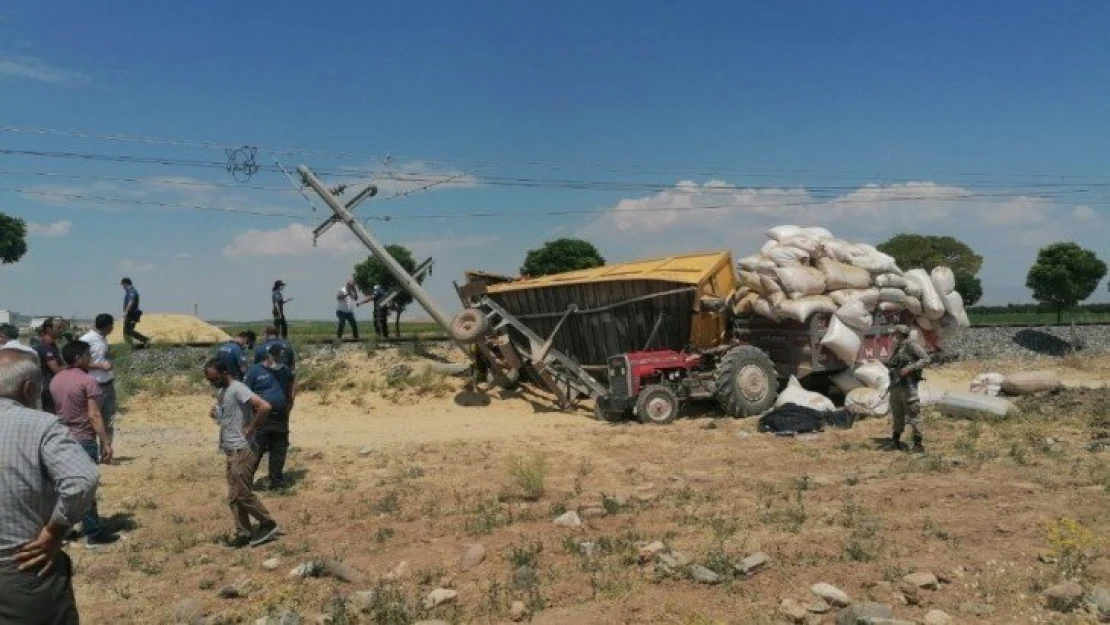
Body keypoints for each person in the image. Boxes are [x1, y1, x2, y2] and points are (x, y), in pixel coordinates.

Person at [0, 349, 99, 624]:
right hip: (23, 568)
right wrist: (55, 531)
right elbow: (81, 481)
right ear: (29, 388)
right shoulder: (41, 425)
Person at [203, 358, 280, 548]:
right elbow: (228, 417)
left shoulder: (239, 388)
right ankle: (242, 532)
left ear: (224, 373)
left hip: (243, 449)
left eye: (214, 379)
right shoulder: (222, 392)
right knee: (233, 496)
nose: (212, 383)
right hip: (230, 449)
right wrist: (217, 415)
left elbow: (264, 406)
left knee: (242, 493)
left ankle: (267, 523)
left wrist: (252, 427)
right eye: (210, 381)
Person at [50, 341, 117, 547]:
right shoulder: (88, 381)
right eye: (88, 355)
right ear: (78, 358)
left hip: (61, 438)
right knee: (86, 488)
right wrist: (106, 442)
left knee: (63, 487)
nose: (91, 359)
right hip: (83, 438)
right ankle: (94, 534)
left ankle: (64, 530)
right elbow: (94, 415)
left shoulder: (56, 379)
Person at [245, 344, 297, 490]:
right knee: (257, 450)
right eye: (277, 358)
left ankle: (276, 482)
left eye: (281, 358)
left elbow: (293, 382)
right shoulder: (255, 370)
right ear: (269, 356)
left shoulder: (284, 370)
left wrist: (290, 402)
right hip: (262, 417)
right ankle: (246, 482)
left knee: (279, 450)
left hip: (280, 417)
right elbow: (245, 392)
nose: (279, 361)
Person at [887, 325, 931, 453]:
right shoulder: (897, 348)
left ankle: (918, 443)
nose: (894, 336)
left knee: (913, 415)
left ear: (901, 334)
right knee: (897, 415)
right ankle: (895, 440)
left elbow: (926, 359)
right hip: (896, 386)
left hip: (908, 387)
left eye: (895, 334)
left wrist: (909, 369)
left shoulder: (912, 346)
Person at [79, 315, 118, 448]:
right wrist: (101, 366)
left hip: (108, 384)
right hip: (94, 386)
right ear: (108, 326)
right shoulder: (86, 340)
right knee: (93, 421)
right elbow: (80, 362)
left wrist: (108, 356)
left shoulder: (103, 339)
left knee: (109, 420)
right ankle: (91, 453)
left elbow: (100, 356)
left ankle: (107, 452)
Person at [34, 318, 66, 414]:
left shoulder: (52, 345)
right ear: (48, 329)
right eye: (58, 328)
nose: (61, 330)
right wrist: (73, 365)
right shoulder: (45, 347)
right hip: (49, 389)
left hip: (55, 387)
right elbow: (56, 370)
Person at [120, 278, 150, 348]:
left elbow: (131, 301)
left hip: (131, 314)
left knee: (126, 332)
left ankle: (131, 346)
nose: (122, 287)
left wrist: (126, 312)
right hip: (131, 314)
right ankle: (144, 340)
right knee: (128, 331)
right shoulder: (130, 291)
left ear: (125, 283)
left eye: (123, 285)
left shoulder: (131, 291)